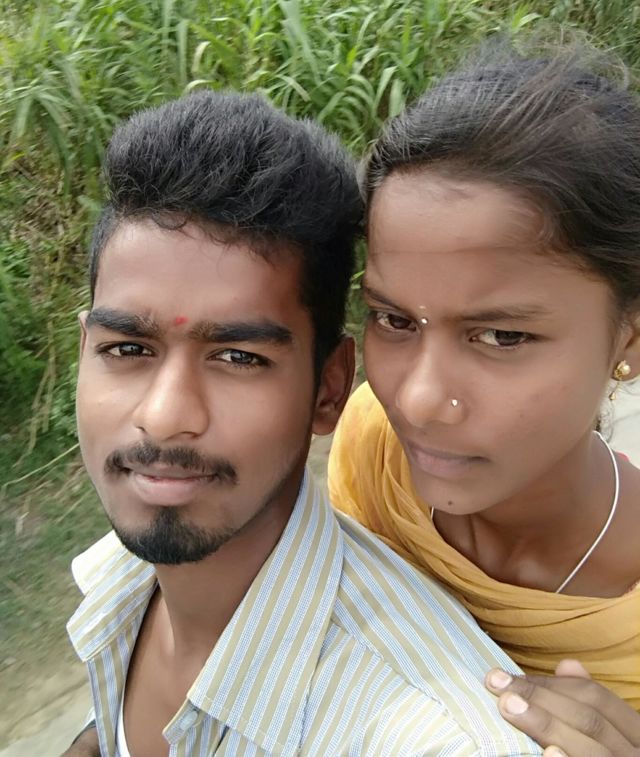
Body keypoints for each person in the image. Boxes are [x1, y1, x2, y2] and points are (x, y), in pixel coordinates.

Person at [63, 90, 540, 756]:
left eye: (238, 357)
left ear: (329, 390)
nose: (165, 417)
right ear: (85, 349)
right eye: (127, 350)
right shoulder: (120, 581)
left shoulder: (425, 736)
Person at [328, 42, 640, 755]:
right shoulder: (373, 447)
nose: (418, 400)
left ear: (629, 337)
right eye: (393, 319)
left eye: (502, 336)